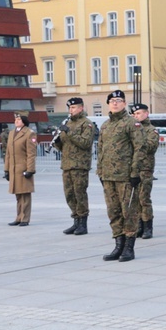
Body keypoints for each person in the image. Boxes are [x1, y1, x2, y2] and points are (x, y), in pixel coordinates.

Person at [97, 90, 145, 262]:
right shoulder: (105, 125)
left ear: (124, 103)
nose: (115, 103)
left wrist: (134, 172)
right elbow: (100, 150)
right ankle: (118, 245)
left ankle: (129, 248)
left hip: (125, 177)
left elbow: (140, 148)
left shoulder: (132, 123)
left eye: (118, 100)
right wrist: (100, 172)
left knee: (129, 212)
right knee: (114, 212)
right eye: (112, 101)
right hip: (109, 176)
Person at [56, 97, 95, 235]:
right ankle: (75, 220)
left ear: (81, 108)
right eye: (69, 108)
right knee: (69, 194)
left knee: (80, 194)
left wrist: (69, 132)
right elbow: (64, 147)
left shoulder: (86, 124)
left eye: (73, 108)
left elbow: (85, 143)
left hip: (79, 165)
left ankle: (83, 223)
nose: (70, 110)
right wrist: (57, 140)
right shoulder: (68, 123)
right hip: (67, 164)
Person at [131, 103, 160, 240]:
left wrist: (137, 139)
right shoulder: (132, 129)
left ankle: (148, 226)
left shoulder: (151, 130)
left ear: (146, 114)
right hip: (132, 169)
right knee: (135, 199)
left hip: (145, 168)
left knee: (144, 198)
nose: (136, 116)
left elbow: (150, 147)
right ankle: (139, 225)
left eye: (138, 113)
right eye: (134, 114)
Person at [4, 111, 37, 227]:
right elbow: (8, 153)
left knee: (25, 195)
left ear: (24, 121)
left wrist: (30, 169)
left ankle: (25, 218)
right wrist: (6, 169)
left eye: (18, 119)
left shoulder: (29, 134)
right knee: (18, 194)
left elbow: (31, 154)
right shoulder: (11, 133)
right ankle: (18, 217)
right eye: (15, 119)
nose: (16, 121)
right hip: (14, 169)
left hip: (23, 168)